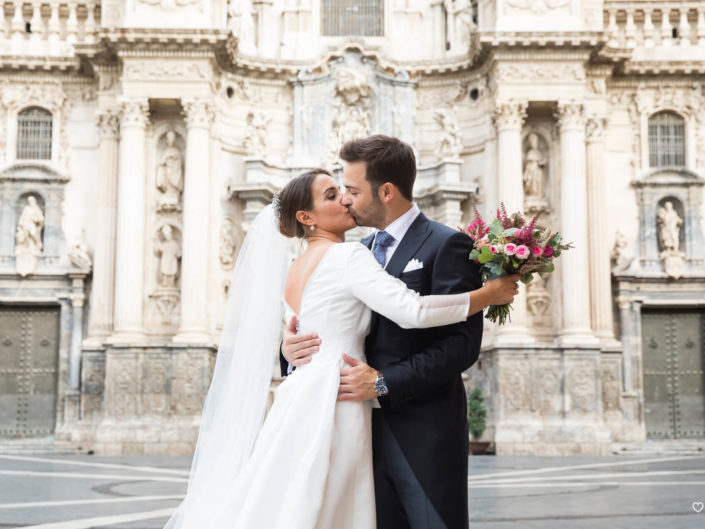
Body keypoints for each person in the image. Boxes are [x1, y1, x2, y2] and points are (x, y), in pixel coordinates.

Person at [165, 166, 518, 529]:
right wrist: (485, 295)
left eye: (344, 191)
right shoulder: (348, 256)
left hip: (300, 395)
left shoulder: (294, 268)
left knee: (293, 501)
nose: (345, 200)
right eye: (332, 196)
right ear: (306, 217)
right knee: (331, 506)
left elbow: (304, 328)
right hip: (339, 394)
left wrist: (287, 349)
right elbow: (412, 310)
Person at [282, 135, 514, 529]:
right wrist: (289, 350)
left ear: (385, 191)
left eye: (352, 190)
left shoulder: (447, 244)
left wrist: (385, 383)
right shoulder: (355, 249)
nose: (347, 201)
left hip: (422, 431)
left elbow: (461, 345)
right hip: (352, 429)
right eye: (340, 193)